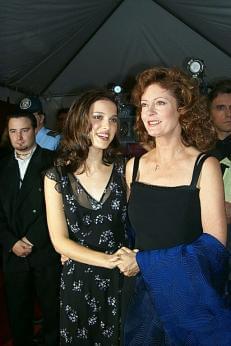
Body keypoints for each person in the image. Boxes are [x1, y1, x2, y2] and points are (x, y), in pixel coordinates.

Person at [115, 67, 231, 345]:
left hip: (189, 298)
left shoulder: (205, 166)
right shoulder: (134, 167)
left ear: (181, 109)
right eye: (144, 105)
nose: (149, 112)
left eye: (160, 103)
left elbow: (214, 246)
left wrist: (143, 262)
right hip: (140, 296)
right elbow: (126, 229)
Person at [44, 89, 127, 345]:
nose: (107, 126)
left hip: (122, 280)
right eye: (98, 117)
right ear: (80, 120)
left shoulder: (126, 170)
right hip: (79, 281)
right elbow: (59, 241)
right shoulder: (55, 177)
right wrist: (109, 261)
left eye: (113, 119)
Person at [0, 111, 61, 346]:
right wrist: (11, 242)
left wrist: (32, 239)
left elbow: (57, 208)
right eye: (13, 131)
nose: (19, 137)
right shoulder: (2, 165)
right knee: (17, 313)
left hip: (45, 251)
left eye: (24, 130)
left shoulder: (53, 161)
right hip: (12, 253)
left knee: (51, 311)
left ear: (35, 129)